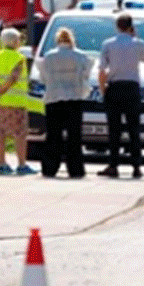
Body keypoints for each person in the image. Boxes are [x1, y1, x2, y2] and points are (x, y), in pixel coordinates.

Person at [39, 27, 94, 179]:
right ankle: (76, 169)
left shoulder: (49, 56)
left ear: (57, 40)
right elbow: (86, 75)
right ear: (72, 40)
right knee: (74, 137)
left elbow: (44, 78)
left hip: (53, 98)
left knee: (53, 136)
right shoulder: (81, 56)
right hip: (74, 98)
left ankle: (49, 168)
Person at [98, 13, 144, 179]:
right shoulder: (139, 44)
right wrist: (135, 37)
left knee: (114, 130)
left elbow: (102, 70)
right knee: (134, 129)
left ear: (117, 26)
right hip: (132, 88)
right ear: (131, 26)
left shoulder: (108, 44)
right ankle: (136, 166)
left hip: (115, 87)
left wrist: (103, 89)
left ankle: (113, 165)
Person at [0, 27, 36, 175]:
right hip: (16, 102)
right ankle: (21, 165)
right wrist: (4, 89)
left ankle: (2, 164)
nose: (20, 42)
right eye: (19, 39)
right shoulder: (19, 58)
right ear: (14, 42)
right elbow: (14, 76)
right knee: (19, 134)